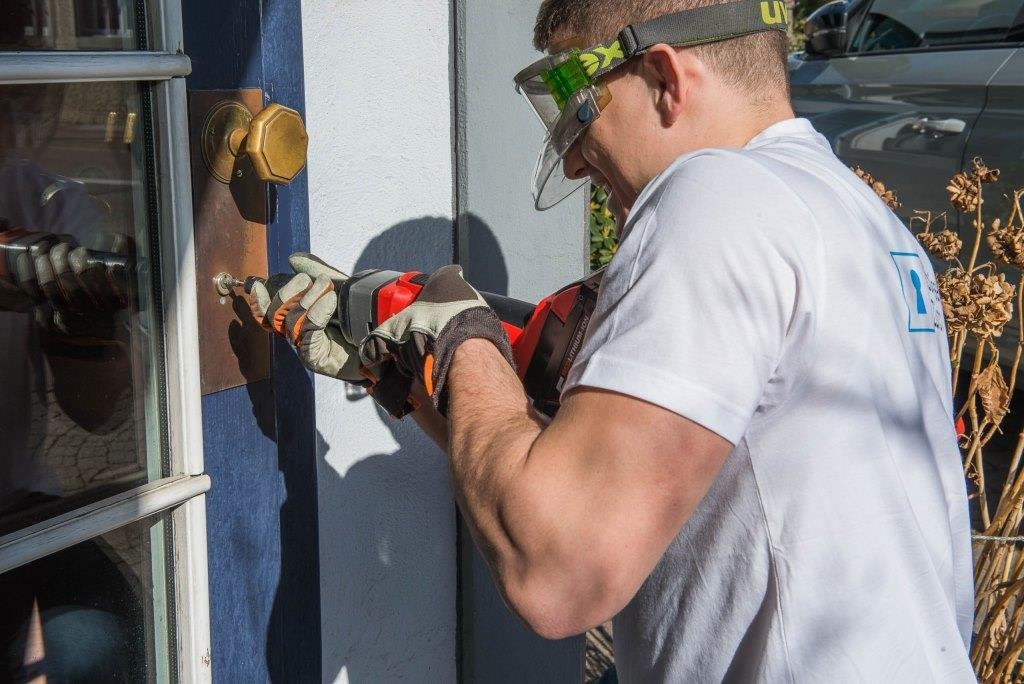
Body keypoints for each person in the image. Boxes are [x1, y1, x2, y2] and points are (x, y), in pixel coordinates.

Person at [250, 0, 975, 679]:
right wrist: (412, 376)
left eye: (577, 110)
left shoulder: (717, 195)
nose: (571, 160)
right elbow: (619, 482)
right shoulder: (862, 222)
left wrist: (461, 334)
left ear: (663, 77)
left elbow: (556, 572)